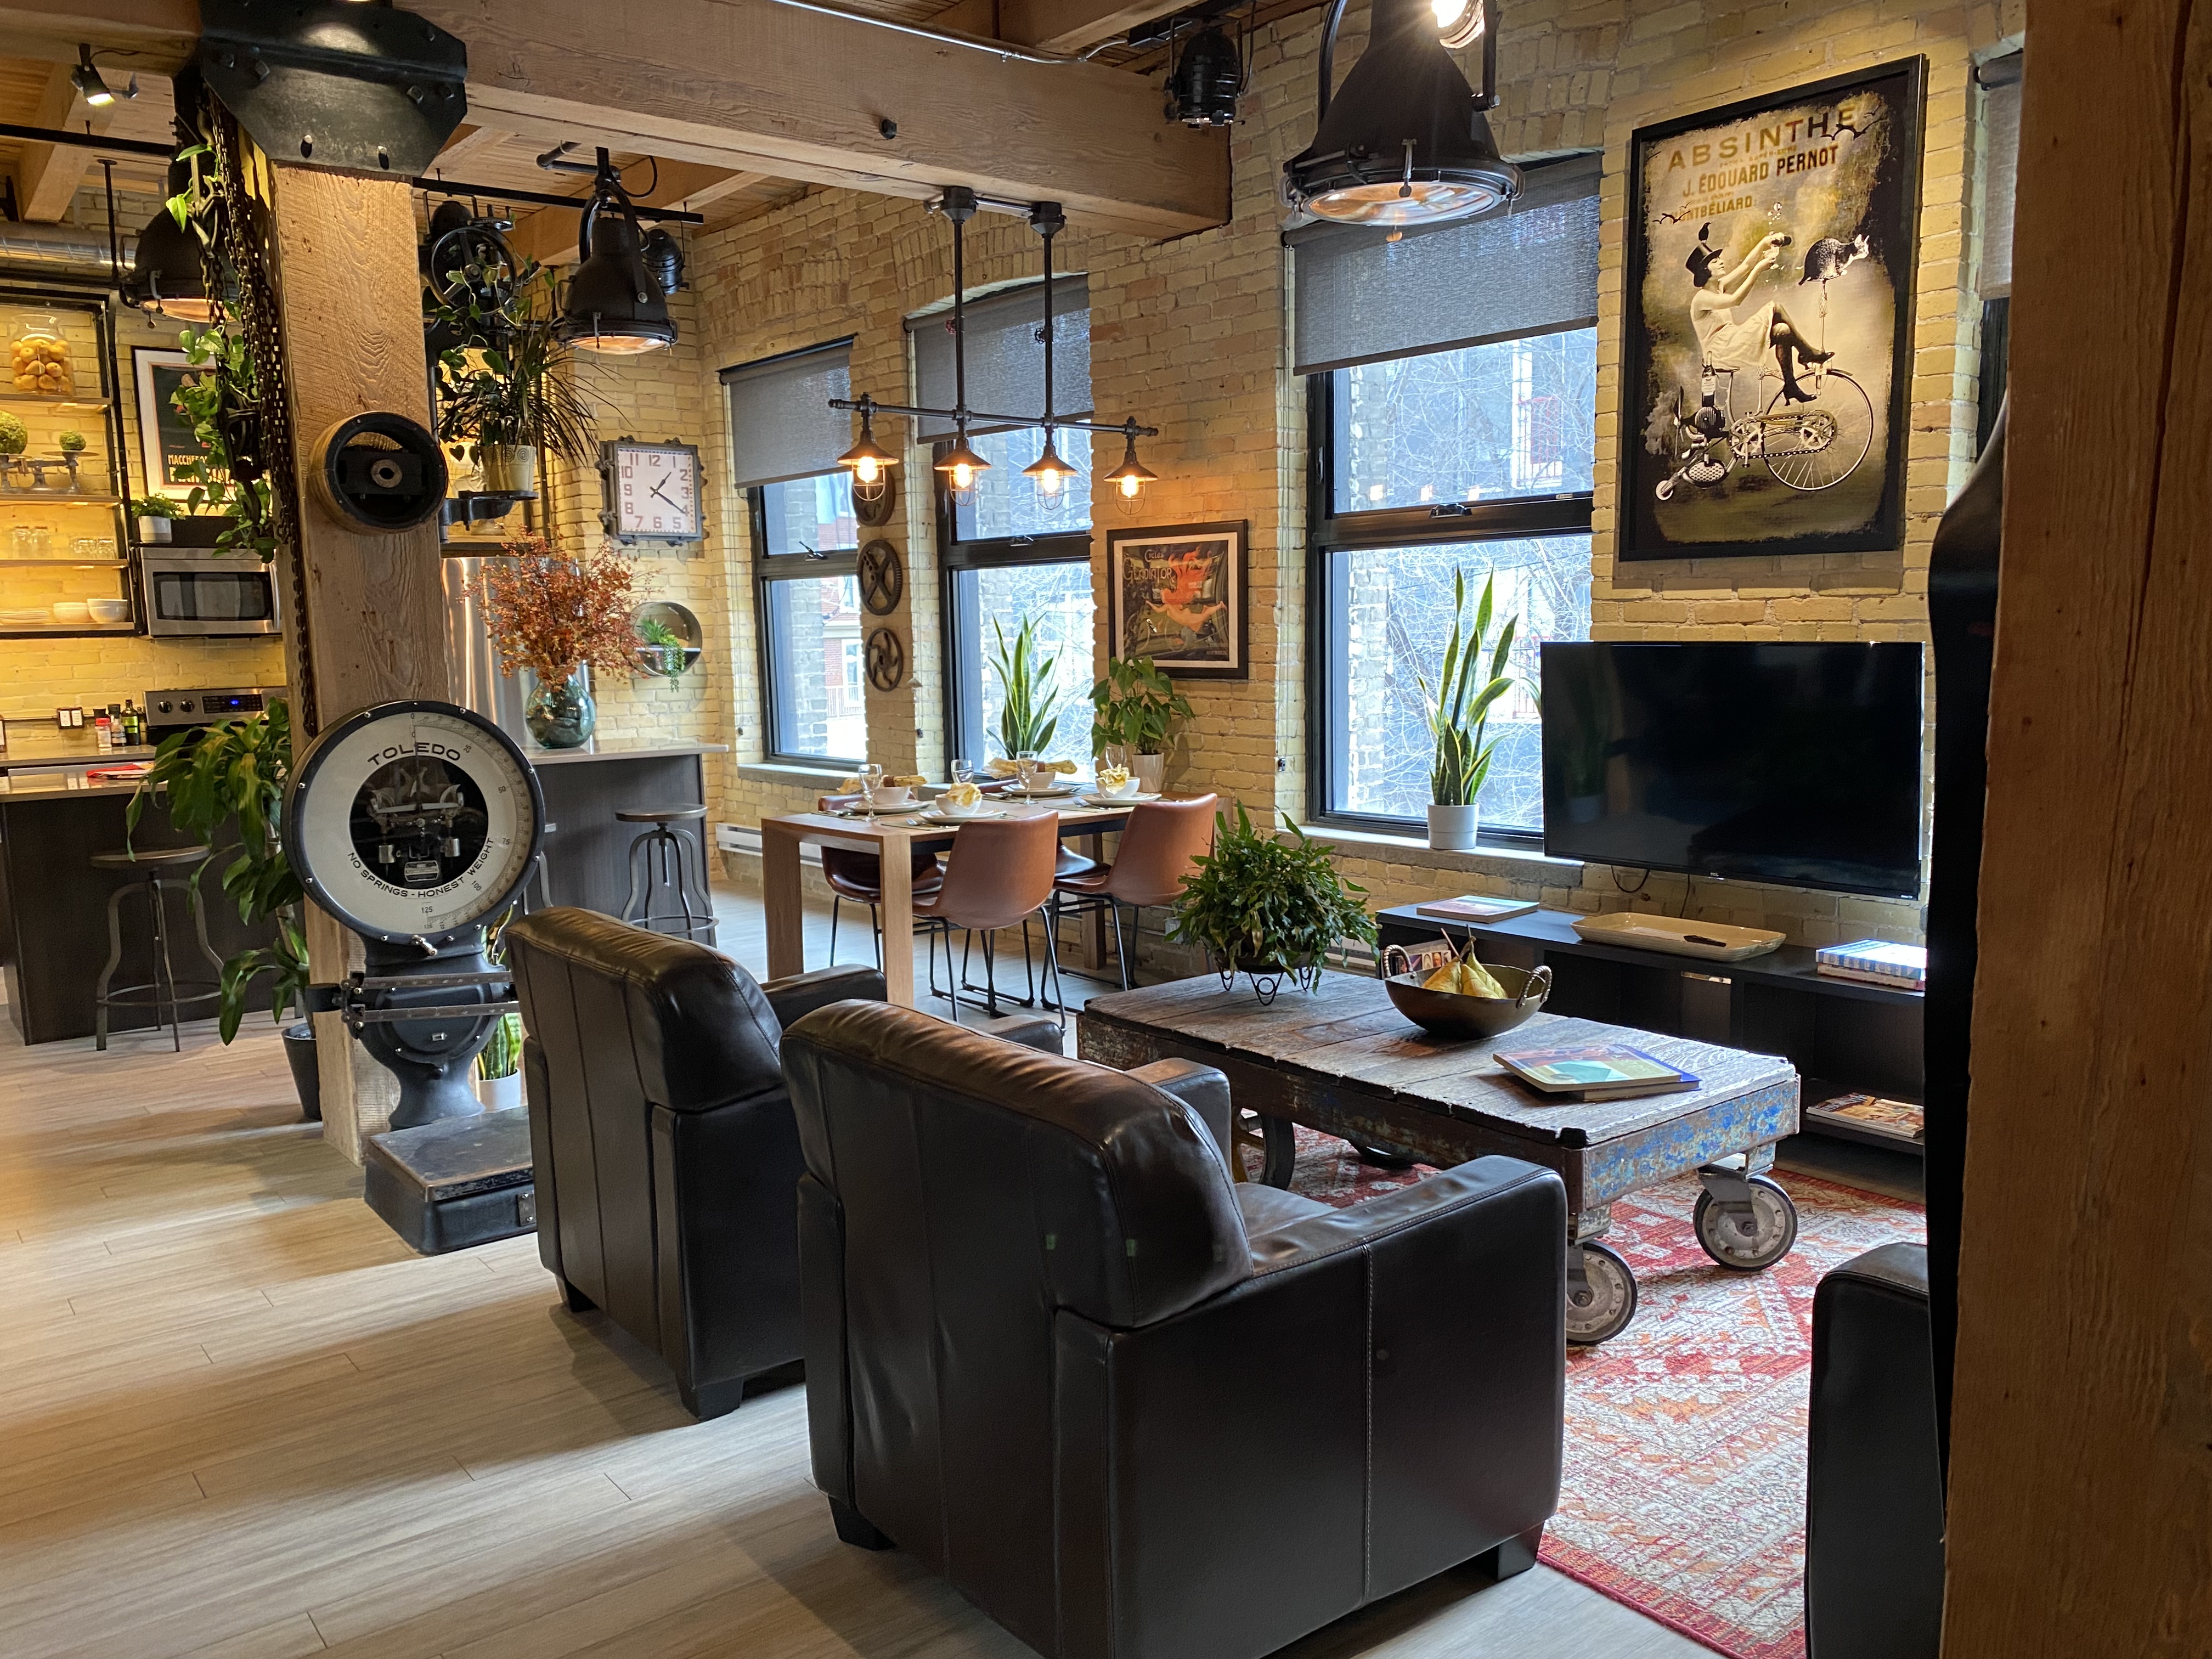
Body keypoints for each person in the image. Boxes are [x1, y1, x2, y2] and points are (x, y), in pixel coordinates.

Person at [1685, 224, 1832, 403]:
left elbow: (1746, 265)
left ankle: (1790, 385)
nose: (1721, 262)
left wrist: (1765, 242)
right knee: (1775, 307)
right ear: (1705, 271)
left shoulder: (1719, 287)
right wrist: (1759, 270)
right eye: (1715, 262)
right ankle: (1807, 353)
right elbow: (1735, 300)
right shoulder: (1702, 299)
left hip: (1732, 339)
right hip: (1720, 352)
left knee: (1783, 331)